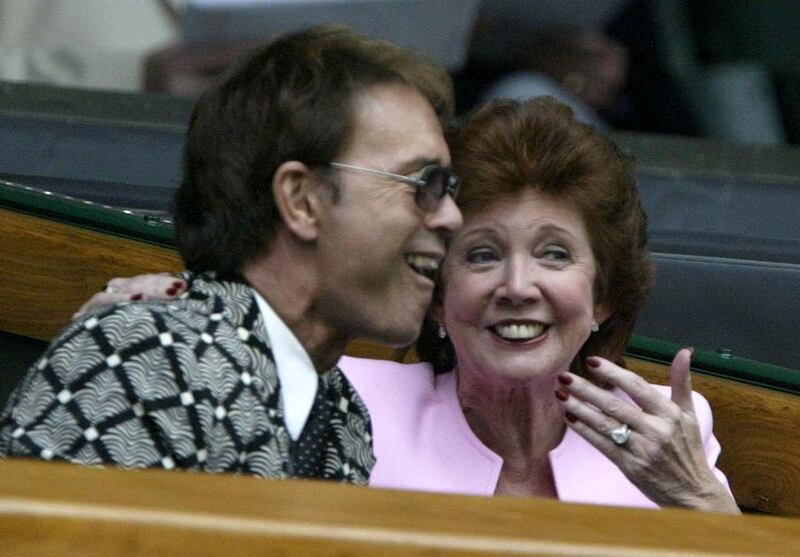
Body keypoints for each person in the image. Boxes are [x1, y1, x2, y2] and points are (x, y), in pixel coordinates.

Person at [0, 25, 463, 483]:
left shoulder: (341, 413)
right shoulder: (148, 356)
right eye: (423, 184)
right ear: (302, 200)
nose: (452, 217)